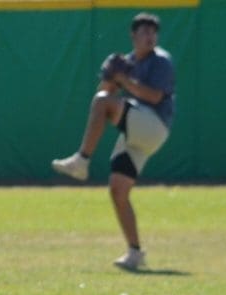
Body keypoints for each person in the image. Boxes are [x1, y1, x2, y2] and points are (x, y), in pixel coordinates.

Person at [51, 12, 175, 271]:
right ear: (133, 36)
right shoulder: (127, 62)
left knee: (102, 103)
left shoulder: (161, 61)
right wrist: (109, 78)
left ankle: (82, 159)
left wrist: (122, 81)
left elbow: (153, 97)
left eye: (153, 32)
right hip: (136, 134)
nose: (150, 37)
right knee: (118, 190)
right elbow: (104, 95)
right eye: (144, 32)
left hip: (153, 125)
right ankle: (135, 252)